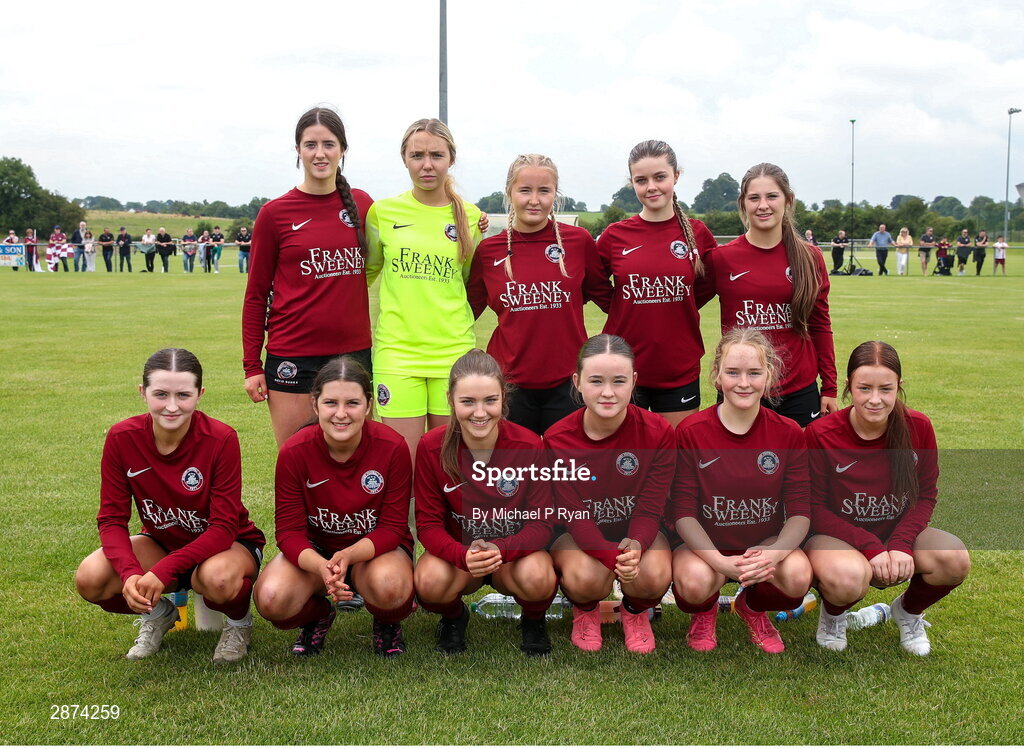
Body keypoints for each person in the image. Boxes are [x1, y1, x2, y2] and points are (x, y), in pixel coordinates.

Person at [74, 348, 266, 663]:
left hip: (227, 544)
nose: (172, 406)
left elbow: (223, 527)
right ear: (143, 392)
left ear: (200, 394)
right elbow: (111, 519)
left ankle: (238, 623)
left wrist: (163, 571)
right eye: (161, 394)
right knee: (91, 578)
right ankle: (160, 614)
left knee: (217, 579)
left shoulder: (221, 438)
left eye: (184, 395)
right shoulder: (122, 438)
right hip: (163, 542)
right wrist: (131, 573)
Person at [805, 341, 970, 656]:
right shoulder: (820, 434)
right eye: (864, 388)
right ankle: (833, 616)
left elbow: (926, 495)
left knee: (954, 558)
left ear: (899, 387)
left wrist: (900, 544)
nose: (875, 399)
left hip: (894, 533)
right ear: (849, 388)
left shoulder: (918, 426)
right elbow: (812, 509)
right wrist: (870, 547)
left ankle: (908, 612)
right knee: (848, 577)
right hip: (836, 537)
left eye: (886, 389)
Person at [254, 356, 415, 657]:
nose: (341, 414)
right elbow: (289, 533)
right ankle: (317, 615)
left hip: (375, 551)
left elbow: (393, 528)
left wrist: (348, 555)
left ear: (368, 405)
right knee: (272, 599)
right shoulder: (294, 451)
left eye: (352, 403)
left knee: (391, 587)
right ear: (315, 405)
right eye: (330, 403)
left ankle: (387, 620)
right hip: (318, 552)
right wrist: (322, 567)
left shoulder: (392, 446)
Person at [669, 328, 811, 653]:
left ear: (769, 375)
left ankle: (752, 607)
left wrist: (774, 555)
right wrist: (719, 562)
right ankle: (703, 611)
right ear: (717, 377)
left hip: (762, 544)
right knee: (694, 582)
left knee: (798, 575)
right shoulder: (691, 432)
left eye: (754, 373)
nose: (743, 383)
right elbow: (683, 513)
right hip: (706, 547)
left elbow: (800, 513)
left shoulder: (788, 433)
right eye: (732, 372)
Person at [242, 106, 374, 448]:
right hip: (293, 354)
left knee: (355, 455)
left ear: (343, 149)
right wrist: (251, 365)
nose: (320, 153)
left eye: (328, 144)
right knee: (295, 457)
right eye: (310, 144)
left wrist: (471, 222)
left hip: (353, 353)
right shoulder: (274, 214)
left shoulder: (362, 205)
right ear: (298, 150)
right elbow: (256, 295)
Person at [414, 349, 556, 656]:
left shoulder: (529, 444)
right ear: (450, 399)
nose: (480, 413)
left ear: (504, 398)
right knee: (428, 582)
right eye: (468, 402)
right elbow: (427, 524)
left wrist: (503, 549)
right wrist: (461, 554)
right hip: (461, 558)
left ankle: (534, 619)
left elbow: (543, 524)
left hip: (513, 555)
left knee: (539, 577)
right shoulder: (430, 447)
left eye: (490, 400)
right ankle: (454, 618)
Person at [545, 335, 675, 653]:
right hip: (578, 536)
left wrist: (635, 546)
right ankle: (586, 609)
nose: (607, 392)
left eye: (618, 381)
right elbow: (573, 513)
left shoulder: (659, 432)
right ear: (577, 382)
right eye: (596, 381)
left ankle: (634, 611)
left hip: (635, 531)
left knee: (654, 573)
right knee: (586, 577)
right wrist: (608, 556)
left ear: (633, 381)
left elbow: (651, 506)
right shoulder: (555, 439)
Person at [365, 118, 484, 463]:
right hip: (397, 354)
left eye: (436, 155)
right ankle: (407, 522)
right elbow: (365, 272)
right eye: (417, 155)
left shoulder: (471, 217)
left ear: (451, 158)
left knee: (449, 462)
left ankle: (446, 521)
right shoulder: (383, 213)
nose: (427, 165)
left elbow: (470, 285)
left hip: (453, 352)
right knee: (406, 461)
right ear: (404, 158)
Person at [584, 140, 716, 428]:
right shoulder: (615, 235)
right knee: (625, 461)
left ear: (676, 176)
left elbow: (709, 283)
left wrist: (681, 302)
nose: (651, 187)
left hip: (678, 367)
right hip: (622, 367)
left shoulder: (697, 233)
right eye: (641, 180)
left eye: (660, 177)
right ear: (632, 182)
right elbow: (594, 284)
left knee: (676, 456)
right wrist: (622, 306)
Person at [467, 154, 594, 435]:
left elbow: (606, 297)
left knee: (564, 472)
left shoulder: (579, 242)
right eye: (525, 190)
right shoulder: (489, 251)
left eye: (544, 190)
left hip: (569, 384)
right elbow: (465, 312)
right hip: (508, 385)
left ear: (555, 194)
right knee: (514, 472)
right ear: (510, 193)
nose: (534, 200)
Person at [709, 163, 837, 427]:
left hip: (798, 389)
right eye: (754, 198)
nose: (763, 205)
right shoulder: (722, 258)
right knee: (738, 468)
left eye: (772, 196)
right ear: (743, 204)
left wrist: (830, 387)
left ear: (788, 201)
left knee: (800, 468)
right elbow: (682, 306)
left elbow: (820, 325)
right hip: (740, 387)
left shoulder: (809, 258)